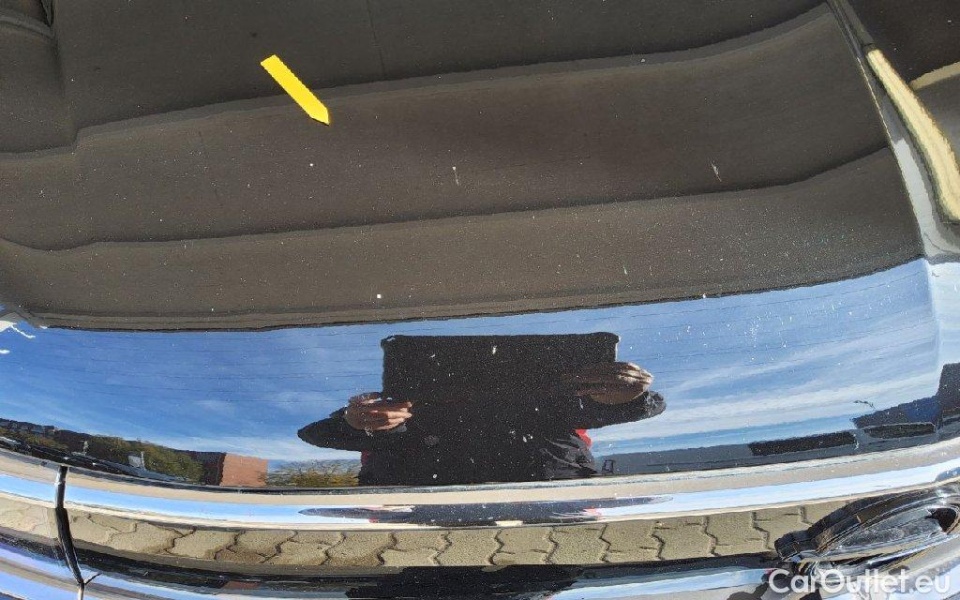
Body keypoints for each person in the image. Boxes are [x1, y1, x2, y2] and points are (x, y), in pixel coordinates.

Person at [298, 362, 665, 486]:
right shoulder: (397, 400)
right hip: (416, 516)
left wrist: (629, 395)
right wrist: (357, 421)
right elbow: (315, 433)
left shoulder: (547, 393)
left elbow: (645, 406)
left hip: (548, 506)